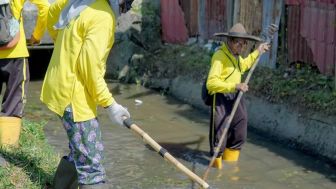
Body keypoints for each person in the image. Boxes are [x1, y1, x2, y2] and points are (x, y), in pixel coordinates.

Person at [40, 0, 131, 188]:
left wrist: (66, 50)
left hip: (58, 87)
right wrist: (110, 105)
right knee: (92, 164)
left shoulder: (81, 3)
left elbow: (51, 16)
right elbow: (90, 69)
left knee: (79, 151)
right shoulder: (103, 16)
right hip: (73, 97)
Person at [206, 23, 270, 169]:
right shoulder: (219, 56)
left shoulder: (237, 56)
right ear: (229, 41)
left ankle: (231, 170)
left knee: (239, 131)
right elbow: (211, 83)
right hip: (221, 98)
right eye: (237, 43)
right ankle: (216, 171)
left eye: (243, 44)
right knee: (219, 138)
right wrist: (235, 86)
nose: (240, 47)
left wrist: (257, 52)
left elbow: (245, 65)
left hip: (236, 96)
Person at [0, 0, 49, 148]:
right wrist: (37, 35)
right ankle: (7, 149)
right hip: (16, 53)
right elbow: (45, 7)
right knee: (14, 103)